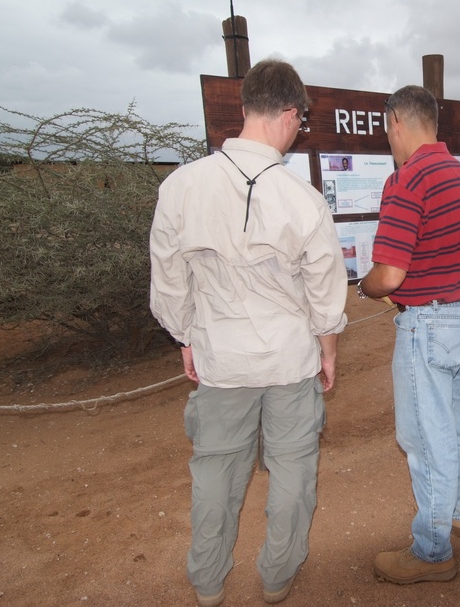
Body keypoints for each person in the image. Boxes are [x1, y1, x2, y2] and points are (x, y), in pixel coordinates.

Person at [149, 59, 348, 607]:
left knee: (215, 471)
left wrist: (187, 337)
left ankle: (208, 581)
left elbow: (168, 281)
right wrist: (327, 351)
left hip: (220, 358)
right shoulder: (303, 198)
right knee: (292, 469)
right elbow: (325, 293)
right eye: (300, 120)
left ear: (243, 110)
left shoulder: (181, 186)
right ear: (290, 114)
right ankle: (277, 575)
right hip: (289, 360)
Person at [358, 85, 460, 585]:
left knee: (424, 438)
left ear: (395, 121)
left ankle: (433, 552)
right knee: (452, 421)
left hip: (430, 326)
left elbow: (389, 275)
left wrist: (363, 287)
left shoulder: (408, 179)